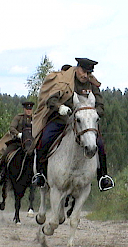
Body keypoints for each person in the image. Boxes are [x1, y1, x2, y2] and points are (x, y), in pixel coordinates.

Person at [31, 58, 115, 191]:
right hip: (61, 120)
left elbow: (101, 107)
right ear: (77, 68)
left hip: (84, 124)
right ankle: (40, 174)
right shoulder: (64, 82)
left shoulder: (92, 85)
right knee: (44, 139)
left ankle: (103, 177)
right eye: (83, 72)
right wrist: (60, 108)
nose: (85, 76)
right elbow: (51, 100)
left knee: (99, 145)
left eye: (88, 73)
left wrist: (92, 112)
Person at [0, 101, 35, 185]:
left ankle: (40, 175)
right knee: (6, 154)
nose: (29, 111)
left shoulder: (34, 119)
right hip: (18, 142)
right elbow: (11, 127)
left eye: (30, 109)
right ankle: (1, 174)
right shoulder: (19, 118)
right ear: (24, 109)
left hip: (30, 143)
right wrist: (18, 134)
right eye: (27, 109)